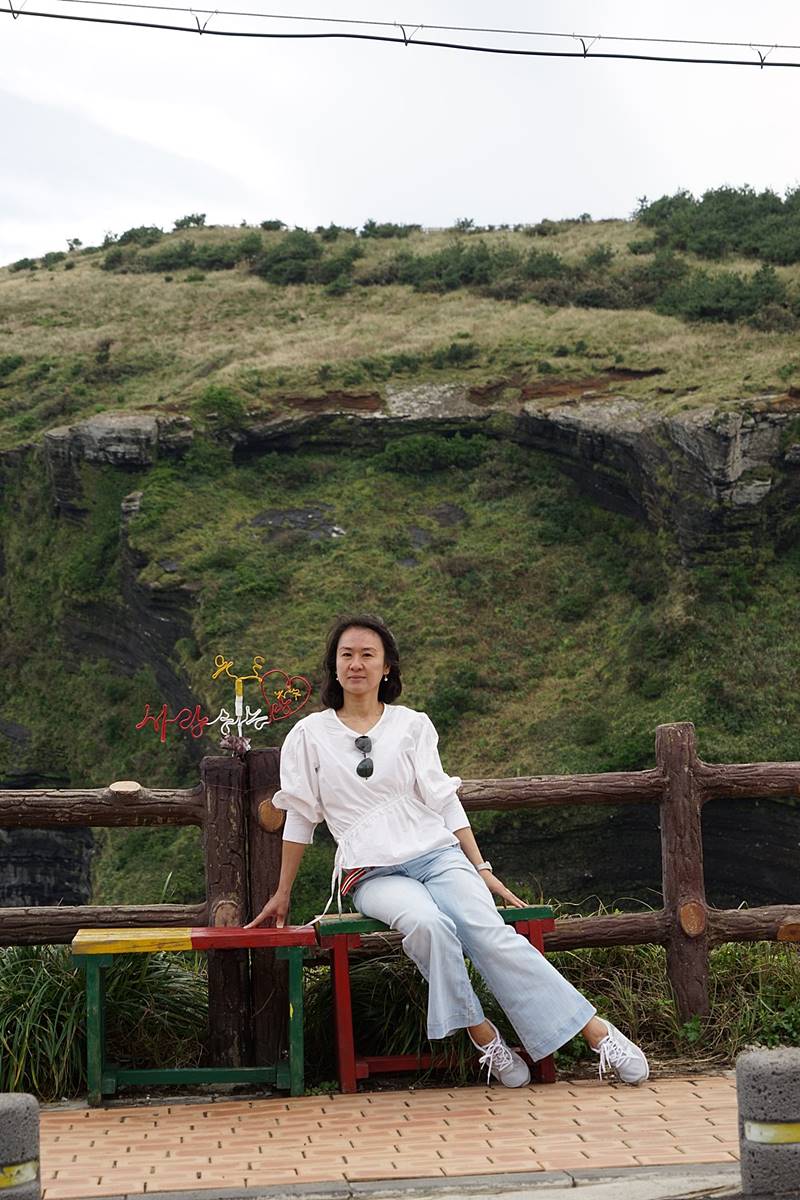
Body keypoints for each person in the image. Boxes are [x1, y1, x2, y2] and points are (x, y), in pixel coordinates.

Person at [246, 614, 649, 1087]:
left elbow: (442, 799)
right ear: (333, 667)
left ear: (387, 667)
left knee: (488, 932)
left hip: (437, 855)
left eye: (367, 655)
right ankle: (483, 1035)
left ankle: (597, 1033)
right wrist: (283, 891)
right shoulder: (309, 735)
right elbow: (300, 815)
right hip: (371, 873)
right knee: (428, 925)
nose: (356, 664)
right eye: (346, 655)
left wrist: (481, 866)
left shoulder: (412, 725)